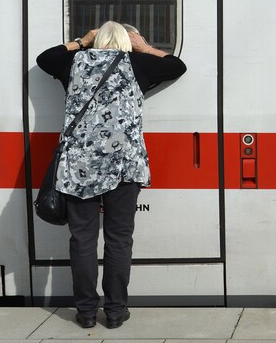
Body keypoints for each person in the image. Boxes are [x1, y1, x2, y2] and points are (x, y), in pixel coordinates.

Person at [36, 21, 186, 329]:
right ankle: (116, 311)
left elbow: (45, 59)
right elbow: (176, 66)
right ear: (128, 41)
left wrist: (81, 41)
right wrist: (144, 47)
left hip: (80, 168)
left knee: (82, 239)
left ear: (97, 40)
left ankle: (86, 312)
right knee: (119, 240)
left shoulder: (73, 62)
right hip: (123, 167)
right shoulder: (138, 62)